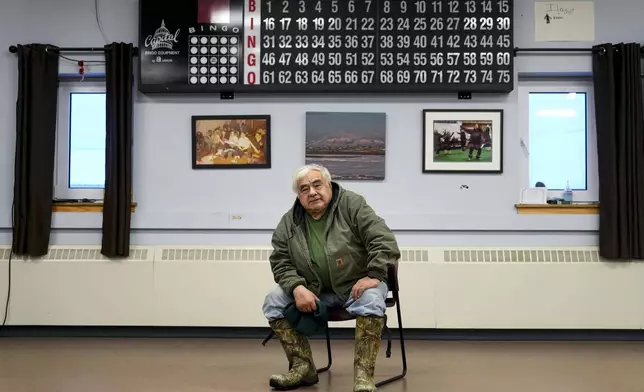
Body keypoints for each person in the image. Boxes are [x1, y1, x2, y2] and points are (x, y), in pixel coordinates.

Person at [262, 164, 401, 392]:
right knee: (273, 301)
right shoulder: (289, 222)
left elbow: (383, 239)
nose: (312, 192)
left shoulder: (351, 204)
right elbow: (280, 261)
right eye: (304, 189)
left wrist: (374, 275)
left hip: (356, 285)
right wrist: (296, 287)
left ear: (329, 184)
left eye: (317, 185)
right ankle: (303, 367)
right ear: (299, 195)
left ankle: (364, 376)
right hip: (314, 290)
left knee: (371, 299)